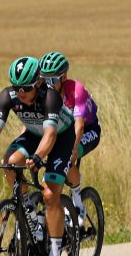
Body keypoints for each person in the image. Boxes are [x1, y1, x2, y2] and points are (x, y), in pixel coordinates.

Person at [0, 56, 76, 256]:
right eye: (17, 88)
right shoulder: (8, 96)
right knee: (9, 164)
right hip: (32, 134)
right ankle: (28, 208)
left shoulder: (50, 97)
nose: (21, 93)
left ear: (38, 83)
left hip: (60, 138)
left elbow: (50, 134)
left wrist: (38, 157)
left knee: (49, 194)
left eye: (26, 88)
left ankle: (55, 254)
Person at [39, 51, 100, 219]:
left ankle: (78, 200)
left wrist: (73, 150)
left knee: (67, 156)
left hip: (88, 129)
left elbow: (79, 126)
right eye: (43, 80)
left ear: (63, 77)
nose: (47, 85)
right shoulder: (44, 94)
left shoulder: (76, 90)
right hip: (66, 130)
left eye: (51, 80)